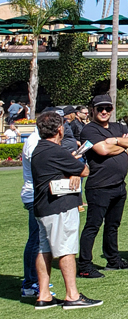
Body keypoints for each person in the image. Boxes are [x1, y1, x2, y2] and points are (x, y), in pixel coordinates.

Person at [30, 111, 103, 310]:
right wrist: (75, 169)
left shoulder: (39, 149)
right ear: (60, 129)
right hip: (60, 206)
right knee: (66, 250)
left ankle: (43, 295)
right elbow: (84, 170)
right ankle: (72, 295)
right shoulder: (56, 150)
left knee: (44, 249)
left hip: (43, 206)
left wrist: (71, 170)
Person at [77, 95, 128, 279]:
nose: (104, 112)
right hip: (99, 186)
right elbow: (102, 150)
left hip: (119, 185)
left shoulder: (118, 127)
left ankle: (113, 260)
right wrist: (122, 143)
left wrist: (114, 141)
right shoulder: (89, 130)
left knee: (113, 225)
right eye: (100, 109)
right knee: (93, 226)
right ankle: (84, 265)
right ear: (93, 110)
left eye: (108, 108)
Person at [19, 120, 50, 299]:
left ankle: (36, 280)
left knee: (41, 239)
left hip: (38, 193)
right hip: (35, 195)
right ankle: (30, 283)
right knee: (36, 240)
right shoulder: (34, 142)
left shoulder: (39, 140)